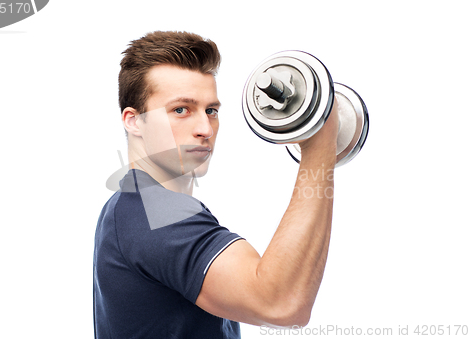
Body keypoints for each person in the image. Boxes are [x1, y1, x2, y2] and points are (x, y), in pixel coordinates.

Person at [93, 31, 339, 339]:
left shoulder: (129, 205)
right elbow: (281, 303)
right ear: (133, 120)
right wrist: (319, 148)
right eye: (180, 109)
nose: (205, 128)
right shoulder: (154, 213)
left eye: (211, 110)